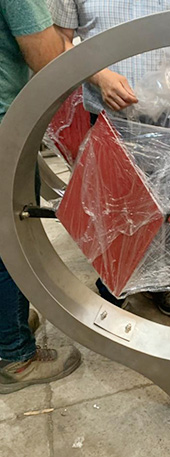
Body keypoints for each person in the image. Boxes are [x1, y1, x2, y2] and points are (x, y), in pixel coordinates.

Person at [47, 0, 170, 317]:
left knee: (166, 203)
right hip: (109, 114)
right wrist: (99, 76)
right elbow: (60, 41)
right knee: (113, 205)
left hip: (168, 117)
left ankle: (161, 280)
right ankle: (114, 279)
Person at [0, 0, 81, 394]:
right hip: (3, 131)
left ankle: (7, 325)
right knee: (10, 241)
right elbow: (48, 60)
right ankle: (14, 355)